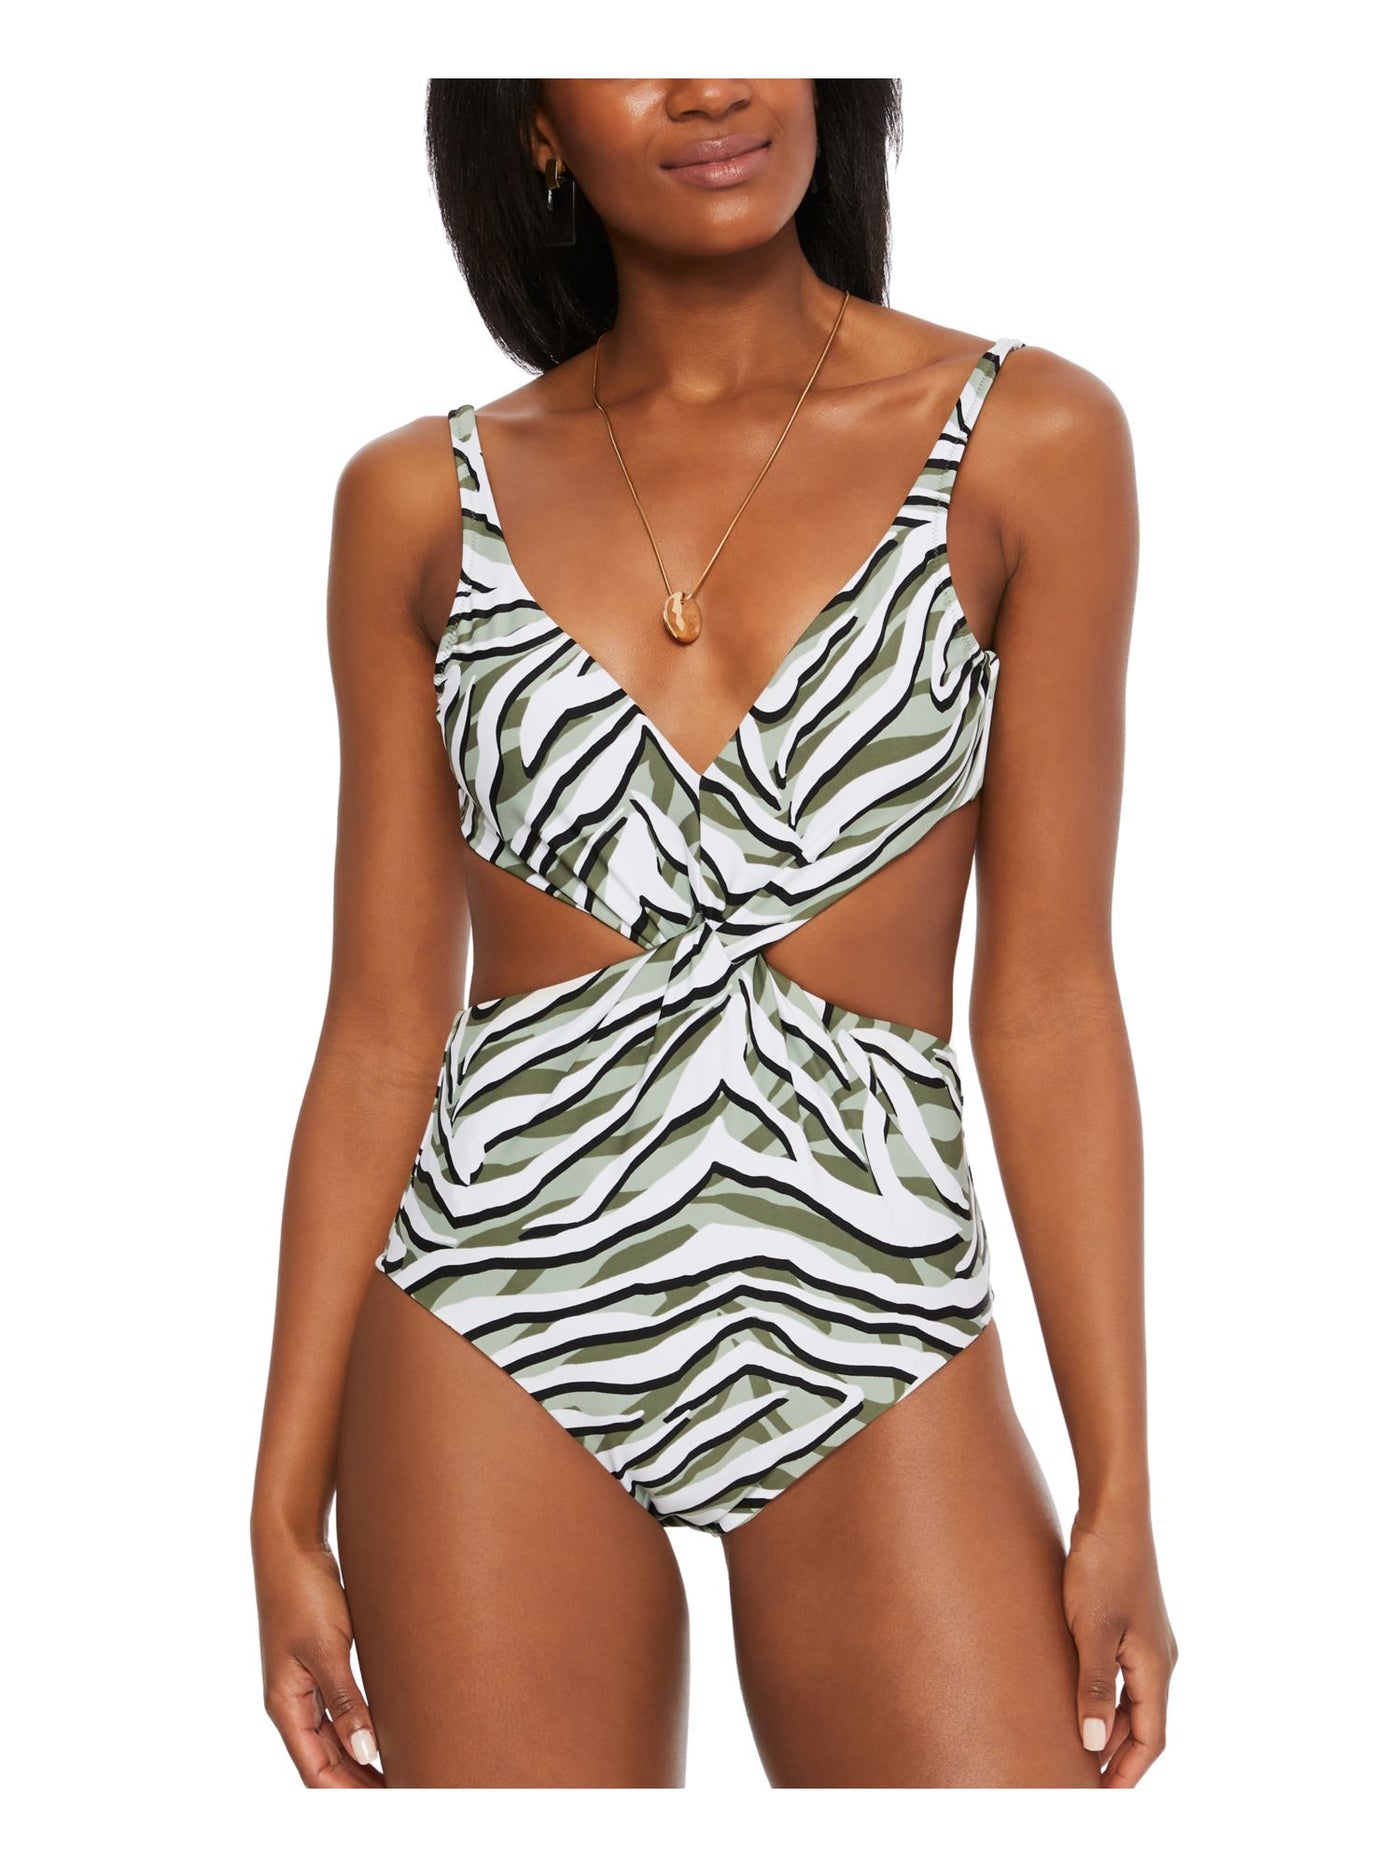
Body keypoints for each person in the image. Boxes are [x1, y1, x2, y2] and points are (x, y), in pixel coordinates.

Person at [251, 76, 1177, 1789]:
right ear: (534, 124)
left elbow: (1050, 999)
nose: (708, 82)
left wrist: (1118, 1483)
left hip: (869, 1297)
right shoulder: (416, 501)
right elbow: (382, 1024)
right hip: (492, 1308)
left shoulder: (1031, 442)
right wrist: (279, 1501)